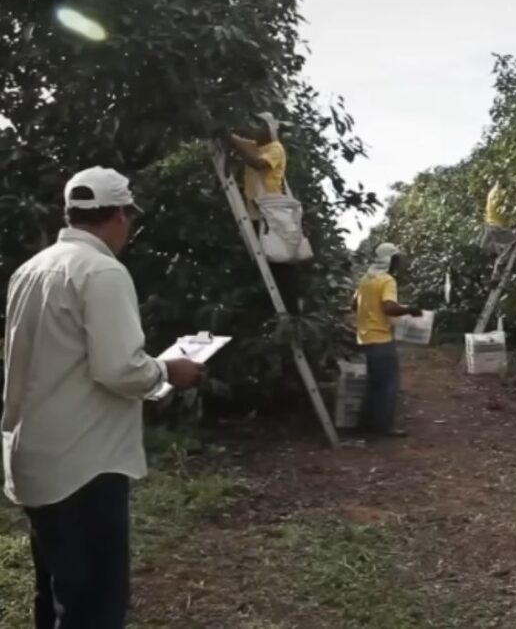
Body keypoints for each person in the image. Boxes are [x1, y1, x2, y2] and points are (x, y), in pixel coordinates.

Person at [2, 166, 204, 629]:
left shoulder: (30, 270)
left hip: (35, 457)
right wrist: (170, 370)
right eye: (129, 218)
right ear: (119, 215)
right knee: (94, 605)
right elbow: (119, 369)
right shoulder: (102, 272)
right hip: (85, 466)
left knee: (55, 594)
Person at [223, 111, 300, 315]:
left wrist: (230, 139)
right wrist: (226, 135)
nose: (253, 129)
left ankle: (291, 314)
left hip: (271, 213)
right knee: (264, 265)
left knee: (280, 264)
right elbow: (242, 143)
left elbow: (257, 163)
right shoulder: (258, 147)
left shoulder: (275, 149)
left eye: (258, 126)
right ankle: (273, 312)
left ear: (268, 129)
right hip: (258, 213)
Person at [352, 243, 422, 437]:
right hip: (381, 338)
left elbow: (353, 304)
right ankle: (384, 427)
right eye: (396, 260)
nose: (398, 264)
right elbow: (389, 308)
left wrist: (368, 314)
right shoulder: (387, 280)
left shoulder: (366, 279)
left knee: (373, 384)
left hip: (365, 337)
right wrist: (410, 310)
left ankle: (365, 426)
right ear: (390, 261)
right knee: (389, 384)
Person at [479, 181, 516, 275]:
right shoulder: (500, 192)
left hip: (490, 225)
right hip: (497, 227)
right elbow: (505, 207)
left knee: (498, 249)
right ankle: (499, 264)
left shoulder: (493, 191)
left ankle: (495, 273)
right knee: (515, 242)